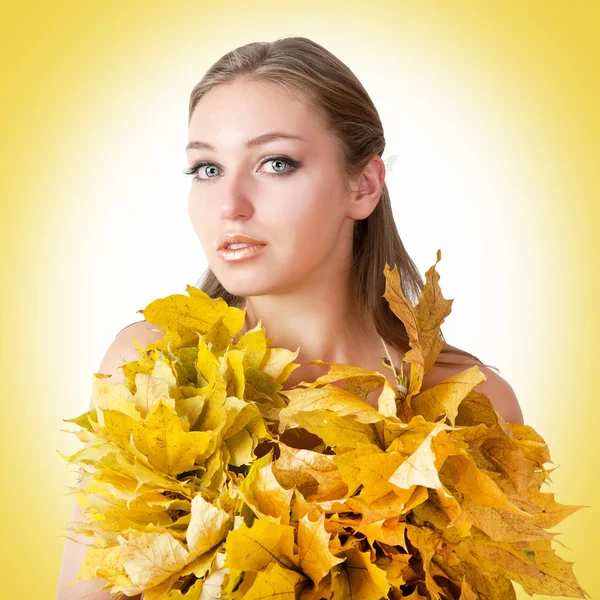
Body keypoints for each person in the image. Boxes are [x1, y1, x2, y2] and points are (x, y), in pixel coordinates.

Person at [56, 35, 523, 600]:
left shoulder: (472, 404)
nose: (230, 205)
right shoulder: (149, 368)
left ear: (364, 185)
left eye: (275, 163)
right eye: (206, 168)